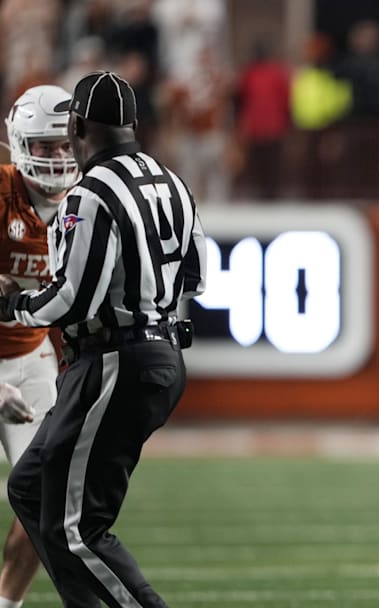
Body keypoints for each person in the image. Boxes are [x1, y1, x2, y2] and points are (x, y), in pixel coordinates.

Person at [0, 71, 206, 607]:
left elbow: (75, 300)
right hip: (158, 347)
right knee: (29, 486)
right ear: (133, 123)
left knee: (79, 529)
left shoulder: (88, 192)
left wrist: (15, 304)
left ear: (77, 126)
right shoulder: (172, 182)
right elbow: (200, 275)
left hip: (113, 358)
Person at [0, 84, 81, 608]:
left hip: (32, 359)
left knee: (43, 501)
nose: (56, 157)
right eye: (44, 146)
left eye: (63, 144)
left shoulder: (89, 202)